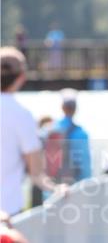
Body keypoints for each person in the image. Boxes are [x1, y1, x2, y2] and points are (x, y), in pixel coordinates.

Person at [0, 48, 67, 216]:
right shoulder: (22, 115)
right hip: (8, 212)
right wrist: (57, 188)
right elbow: (36, 173)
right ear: (22, 77)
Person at [51, 89, 92, 184]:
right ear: (75, 109)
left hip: (53, 186)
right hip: (73, 185)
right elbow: (85, 167)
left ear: (62, 107)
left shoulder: (49, 130)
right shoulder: (81, 133)